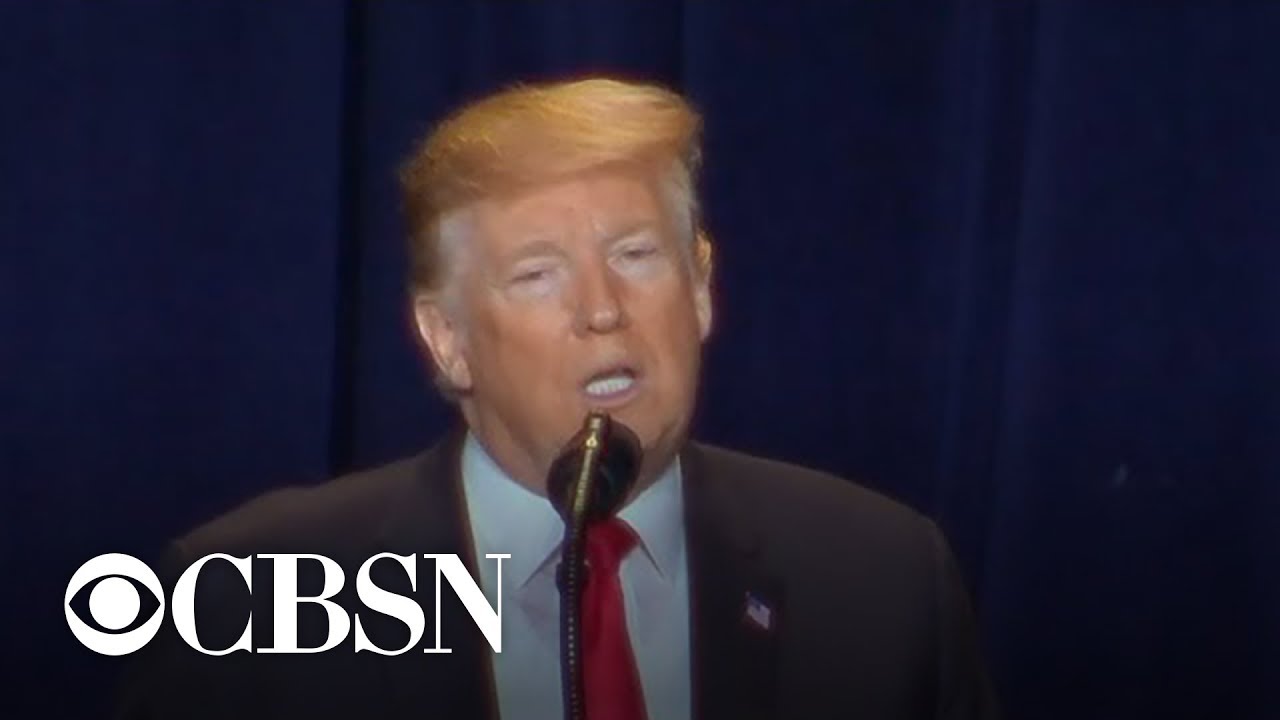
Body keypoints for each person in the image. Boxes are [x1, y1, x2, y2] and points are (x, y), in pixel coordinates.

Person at [117, 77, 999, 720]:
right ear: (445, 339)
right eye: (538, 275)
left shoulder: (882, 581)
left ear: (700, 290)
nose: (603, 309)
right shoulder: (250, 599)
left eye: (637, 255)